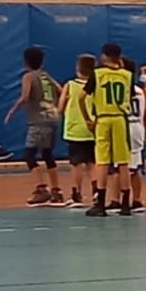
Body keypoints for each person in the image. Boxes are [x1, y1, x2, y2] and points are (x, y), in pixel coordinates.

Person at [3, 47, 65, 206]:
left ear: (25, 62)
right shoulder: (46, 76)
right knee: (47, 154)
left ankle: (41, 189)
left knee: (29, 154)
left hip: (39, 120)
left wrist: (12, 111)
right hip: (52, 118)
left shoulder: (29, 76)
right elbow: (62, 91)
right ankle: (56, 191)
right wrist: (57, 108)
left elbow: (25, 96)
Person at [82, 43, 135, 217]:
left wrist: (87, 118)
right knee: (123, 162)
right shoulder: (127, 75)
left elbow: (81, 97)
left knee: (102, 161)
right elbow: (130, 96)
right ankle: (125, 204)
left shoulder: (97, 73)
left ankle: (100, 204)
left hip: (103, 118)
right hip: (120, 118)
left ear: (104, 56)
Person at [59, 54, 96, 206]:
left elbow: (60, 107)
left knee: (76, 164)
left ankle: (76, 194)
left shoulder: (70, 85)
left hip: (75, 129)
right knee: (93, 163)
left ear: (78, 68)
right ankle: (96, 192)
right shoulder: (96, 85)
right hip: (93, 128)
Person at [123, 58, 146, 212]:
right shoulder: (140, 90)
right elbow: (144, 114)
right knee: (135, 167)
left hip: (125, 127)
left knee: (122, 167)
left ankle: (120, 199)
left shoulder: (121, 89)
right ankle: (137, 199)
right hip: (138, 127)